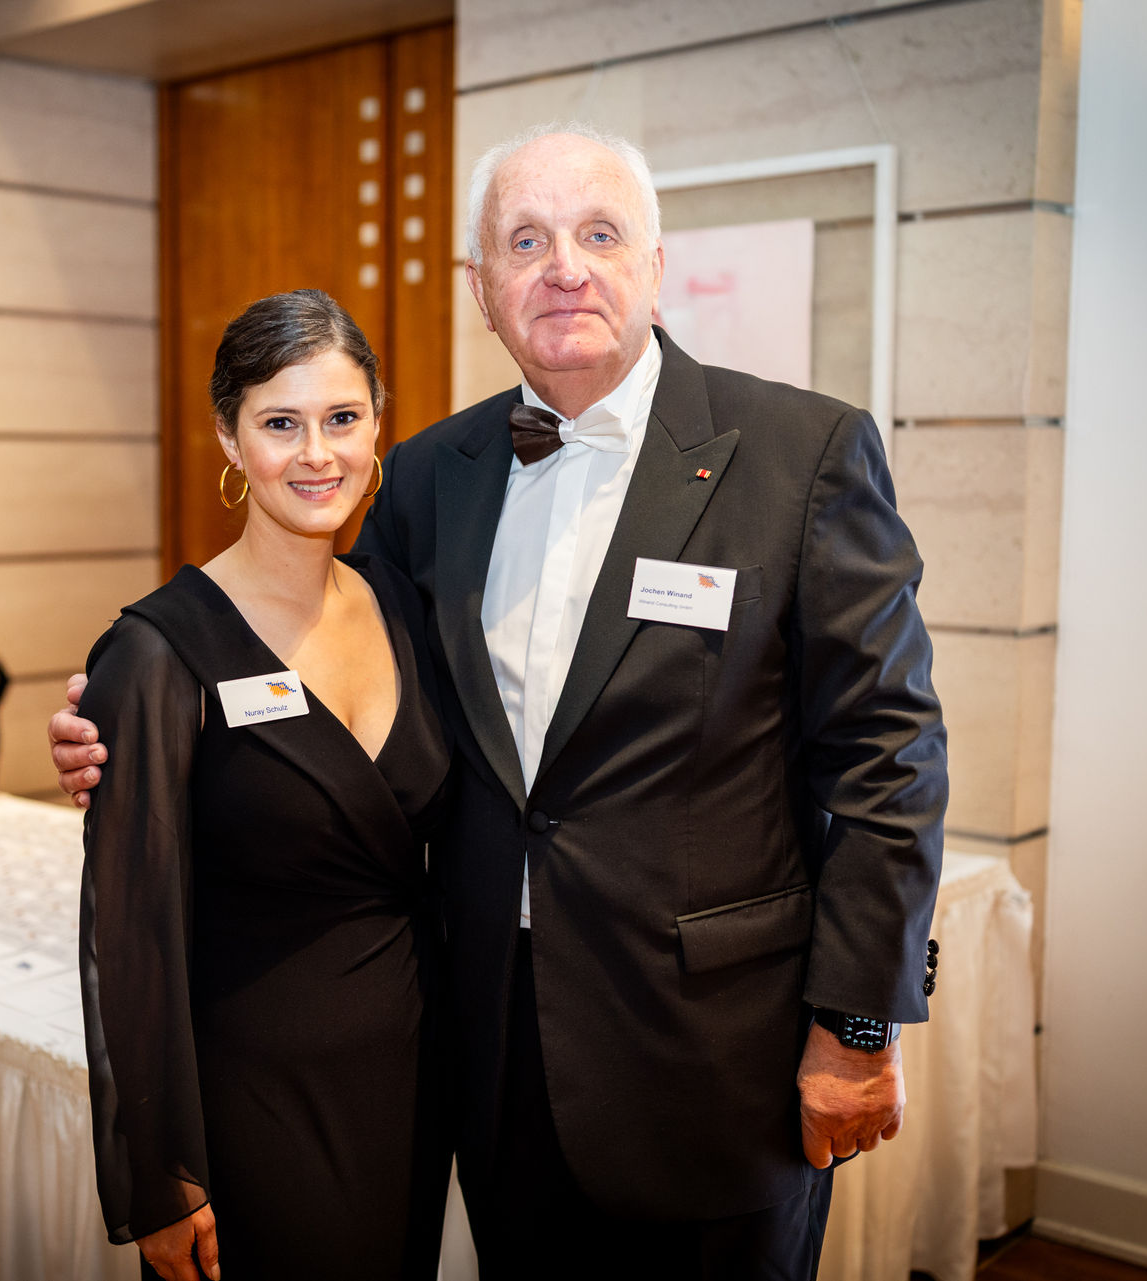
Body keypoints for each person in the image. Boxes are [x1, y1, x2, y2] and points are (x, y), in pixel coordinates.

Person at [56, 124, 946, 1279]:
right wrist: (130, 713)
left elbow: (888, 755)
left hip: (712, 1058)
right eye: (525, 242)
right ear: (481, 288)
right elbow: (324, 666)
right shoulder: (431, 477)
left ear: (656, 263)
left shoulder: (803, 454)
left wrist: (858, 1025)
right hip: (488, 1055)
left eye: (597, 234)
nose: (563, 268)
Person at [78, 291, 450, 1281]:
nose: (317, 454)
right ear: (229, 439)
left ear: (378, 424)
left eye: (342, 418)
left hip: (411, 1076)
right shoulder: (157, 651)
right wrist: (160, 1173)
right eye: (280, 423)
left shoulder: (404, 606)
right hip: (252, 1094)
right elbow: (130, 936)